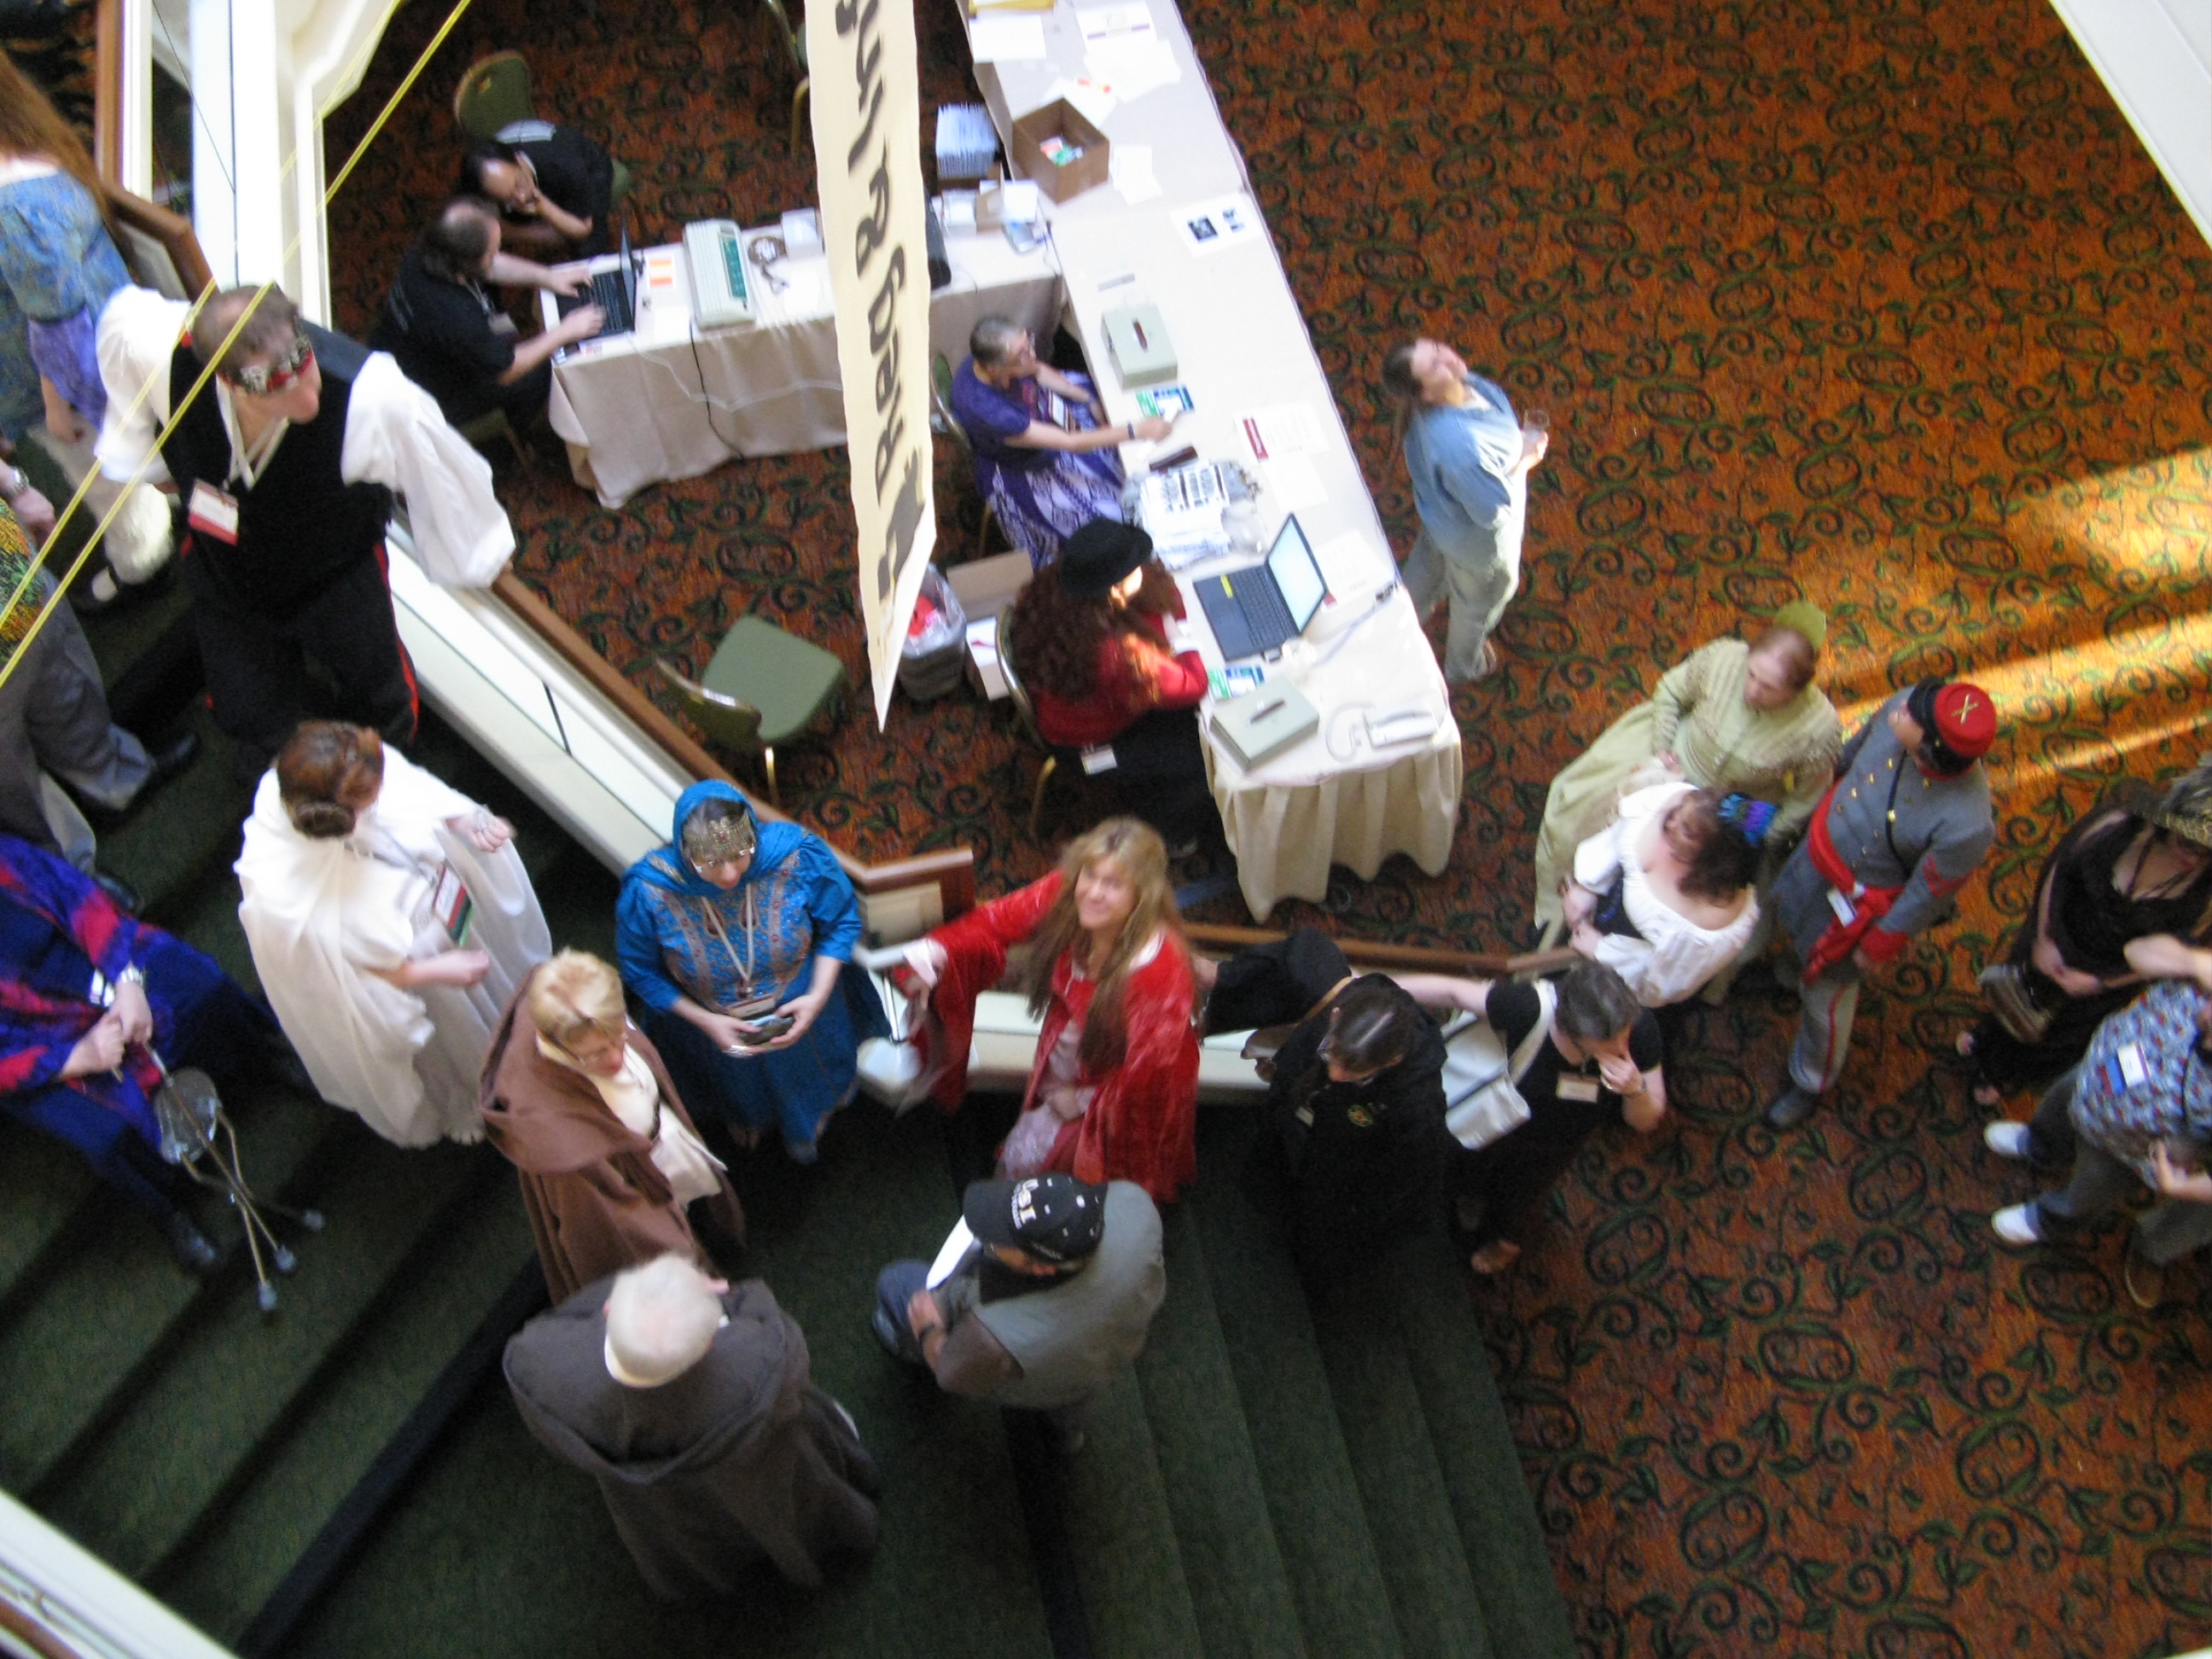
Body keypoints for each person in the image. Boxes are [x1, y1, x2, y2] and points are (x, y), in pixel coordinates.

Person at [96, 282, 518, 768]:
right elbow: (120, 340)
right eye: (272, 387)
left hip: (333, 575)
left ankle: (389, 771)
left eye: (302, 363)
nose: (307, 400)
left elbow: (439, 474)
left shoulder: (372, 396)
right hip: (227, 574)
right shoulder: (153, 346)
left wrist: (480, 553)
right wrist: (152, 465)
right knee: (244, 711)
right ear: (227, 382)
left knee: (381, 697)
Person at [236, 721, 550, 1147]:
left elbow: (414, 789)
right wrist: (433, 971)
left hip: (446, 909)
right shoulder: (281, 892)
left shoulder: (350, 762)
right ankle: (479, 1092)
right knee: (458, 1034)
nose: (383, 795)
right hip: (421, 972)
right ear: (337, 815)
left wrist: (463, 819)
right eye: (369, 799)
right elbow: (344, 978)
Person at [505, 1253, 881, 1598]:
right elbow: (787, 1353)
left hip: (663, 1507)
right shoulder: (755, 1364)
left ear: (608, 1309)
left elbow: (555, 1328)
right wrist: (737, 1299)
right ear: (707, 1346)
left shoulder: (538, 1366)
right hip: (760, 1477)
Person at [0, 828, 285, 1272]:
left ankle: (262, 1053)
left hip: (98, 964)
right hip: (37, 1039)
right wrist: (78, 1057)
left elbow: (76, 898)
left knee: (204, 990)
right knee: (108, 1137)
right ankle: (170, 1210)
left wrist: (126, 980)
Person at [899, 817, 1200, 1204]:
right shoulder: (1068, 891)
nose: (1093, 893)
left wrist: (1083, 1101)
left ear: (1141, 897)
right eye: (1090, 875)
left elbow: (1149, 1078)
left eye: (1113, 884)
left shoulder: (1160, 972)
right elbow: (999, 919)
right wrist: (935, 954)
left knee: (1077, 1178)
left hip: (1115, 1089)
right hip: (1073, 1049)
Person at [1764, 679, 1998, 1132]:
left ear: (1930, 749)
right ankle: (1786, 974)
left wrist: (1878, 946)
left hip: (1856, 909)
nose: (1902, 708)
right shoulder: (1904, 704)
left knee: (1827, 1001)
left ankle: (1811, 1079)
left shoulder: (1968, 824)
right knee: (1789, 913)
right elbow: (1848, 758)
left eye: (1913, 717)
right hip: (1817, 851)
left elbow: (1927, 895)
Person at [1530, 607, 1842, 934]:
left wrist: (1766, 835)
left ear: (1796, 691)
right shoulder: (1724, 658)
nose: (1753, 691)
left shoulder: (1819, 728)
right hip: (1677, 759)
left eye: (1769, 688)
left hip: (1738, 803)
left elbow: (1807, 798)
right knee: (1588, 820)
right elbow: (1670, 692)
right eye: (1751, 675)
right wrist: (1661, 749)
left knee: (1705, 892)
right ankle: (1563, 908)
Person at [615, 783, 879, 1165]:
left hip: (799, 1001)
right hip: (710, 1024)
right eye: (710, 863)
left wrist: (818, 996)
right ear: (686, 853)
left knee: (811, 1072)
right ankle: (745, 1119)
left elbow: (839, 922)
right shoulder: (650, 890)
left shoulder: (796, 855)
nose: (728, 875)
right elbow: (640, 970)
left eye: (740, 856)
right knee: (735, 1088)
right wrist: (706, 1021)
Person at [480, 950, 746, 1303]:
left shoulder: (582, 1008)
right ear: (555, 1041)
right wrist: (681, 1258)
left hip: (658, 1150)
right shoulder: (564, 1147)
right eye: (595, 1054)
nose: (616, 1059)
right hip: (635, 1185)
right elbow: (625, 1225)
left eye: (618, 1036)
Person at [1959, 760, 2212, 1111]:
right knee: (2018, 989)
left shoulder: (2205, 894)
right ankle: (1986, 1036)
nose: (2194, 861)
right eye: (2188, 845)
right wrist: (2044, 937)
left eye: (2206, 854)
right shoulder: (2120, 825)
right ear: (2167, 824)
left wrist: (2098, 983)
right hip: (2057, 933)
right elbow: (2059, 867)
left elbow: (2173, 957)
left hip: (2106, 975)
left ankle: (2003, 1074)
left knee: (2058, 1035)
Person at [1394, 959, 1666, 1275]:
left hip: (1559, 1141)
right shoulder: (1529, 1007)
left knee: (1523, 1194)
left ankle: (1506, 1239)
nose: (1621, 1047)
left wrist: (1636, 1089)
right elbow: (1453, 992)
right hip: (1497, 1119)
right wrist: (1372, 985)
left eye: (1624, 1033)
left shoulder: (1640, 1029)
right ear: (1569, 1030)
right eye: (1606, 1042)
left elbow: (1644, 1121)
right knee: (1456, 1170)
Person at [872, 1173, 1165, 1451]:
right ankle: (1067, 1438)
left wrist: (928, 1329)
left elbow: (949, 1374)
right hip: (1102, 1357)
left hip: (1032, 1376)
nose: (988, 1238)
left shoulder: (992, 1334)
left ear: (1041, 1268)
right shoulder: (1136, 1205)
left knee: (897, 1282)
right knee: (1072, 1397)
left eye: (1000, 1240)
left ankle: (904, 1345)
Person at [1987, 964, 2212, 1307]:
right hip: (2102, 1068)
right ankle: (2041, 1144)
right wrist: (2190, 958)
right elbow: (2143, 953)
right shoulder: (2196, 985)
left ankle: (2050, 1220)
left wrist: (2184, 1187)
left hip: (2130, 1147)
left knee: (2093, 1188)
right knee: (2063, 1099)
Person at [0, 496, 194, 882]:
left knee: (65, 686)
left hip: (13, 577)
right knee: (11, 782)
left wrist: (11, 484)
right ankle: (69, 879)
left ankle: (116, 779)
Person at [1010, 519, 1218, 851]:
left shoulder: (1058, 585)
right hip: (1086, 746)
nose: (1145, 568)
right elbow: (1194, 683)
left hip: (1060, 710)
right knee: (1203, 753)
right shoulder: (1116, 656)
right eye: (1136, 568)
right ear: (1115, 589)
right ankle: (1171, 835)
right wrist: (1184, 635)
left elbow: (1160, 597)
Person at [947, 315, 1173, 569]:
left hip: (1043, 411)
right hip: (1026, 462)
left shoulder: (993, 359)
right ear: (994, 368)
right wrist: (1137, 430)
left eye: (1029, 343)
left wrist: (1085, 398)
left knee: (1107, 393)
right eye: (1022, 355)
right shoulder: (991, 412)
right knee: (1112, 508)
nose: (1032, 355)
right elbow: (1070, 442)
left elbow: (1037, 370)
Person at [1381, 335, 1544, 682]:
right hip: (1478, 548)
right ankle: (1463, 668)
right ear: (1425, 393)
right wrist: (1526, 461)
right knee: (1475, 609)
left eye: (1438, 348)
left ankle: (1392, 630)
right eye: (1434, 366)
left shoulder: (1464, 385)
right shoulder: (1460, 446)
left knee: (1424, 573)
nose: (1449, 359)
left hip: (1441, 521)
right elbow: (1492, 512)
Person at [1256, 972, 1450, 1264]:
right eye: (1332, 1055)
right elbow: (1292, 1066)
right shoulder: (1346, 1013)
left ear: (1393, 1061)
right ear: (1336, 1018)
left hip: (1342, 1178)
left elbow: (1404, 1182)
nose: (1336, 1074)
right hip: (1300, 1132)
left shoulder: (1417, 1105)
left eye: (1354, 1070)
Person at [370, 195, 601, 429]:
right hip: (427, 397)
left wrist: (547, 277)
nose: (497, 254)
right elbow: (507, 370)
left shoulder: (428, 251)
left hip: (394, 356)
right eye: (492, 253)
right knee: (544, 371)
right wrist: (565, 332)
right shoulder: (457, 317)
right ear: (469, 262)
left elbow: (490, 266)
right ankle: (522, 427)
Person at [0, 52, 129, 447]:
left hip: (70, 399)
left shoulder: (17, 211)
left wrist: (59, 412)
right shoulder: (32, 141)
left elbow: (62, 334)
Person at [1558, 783, 1767, 1008]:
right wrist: (1588, 886)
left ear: (1713, 859)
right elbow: (1620, 833)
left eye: (1687, 831)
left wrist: (1603, 951)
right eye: (1679, 810)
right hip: (1587, 919)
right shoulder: (1673, 800)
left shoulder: (1711, 925)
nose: (1670, 823)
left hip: (1613, 985)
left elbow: (1662, 984)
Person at [459, 124, 616, 259]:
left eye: (519, 185)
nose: (521, 198)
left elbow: (583, 230)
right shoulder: (479, 182)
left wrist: (543, 207)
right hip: (542, 173)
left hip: (591, 168)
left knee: (587, 248)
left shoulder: (567, 166)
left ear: (519, 160)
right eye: (507, 197)